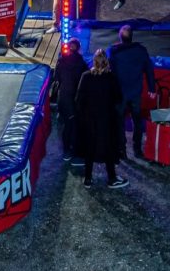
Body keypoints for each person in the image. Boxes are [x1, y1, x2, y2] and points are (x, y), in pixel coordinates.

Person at [75, 49, 129, 189]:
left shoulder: (86, 76)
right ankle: (112, 178)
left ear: (94, 61)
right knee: (109, 147)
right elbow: (118, 98)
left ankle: (88, 178)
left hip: (89, 119)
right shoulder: (111, 78)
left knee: (89, 147)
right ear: (107, 61)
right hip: (107, 119)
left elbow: (79, 99)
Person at [108, 24, 156, 159]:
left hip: (120, 94)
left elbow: (110, 71)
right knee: (137, 121)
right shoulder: (141, 50)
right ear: (132, 36)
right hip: (135, 93)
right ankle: (137, 149)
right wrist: (152, 89)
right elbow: (149, 70)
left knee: (119, 122)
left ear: (120, 37)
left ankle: (122, 150)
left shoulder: (113, 51)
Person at [54, 37, 87, 161]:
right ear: (78, 48)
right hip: (75, 98)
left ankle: (66, 151)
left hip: (63, 97)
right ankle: (74, 150)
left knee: (67, 125)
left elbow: (57, 78)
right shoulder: (81, 62)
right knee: (75, 125)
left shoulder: (61, 61)